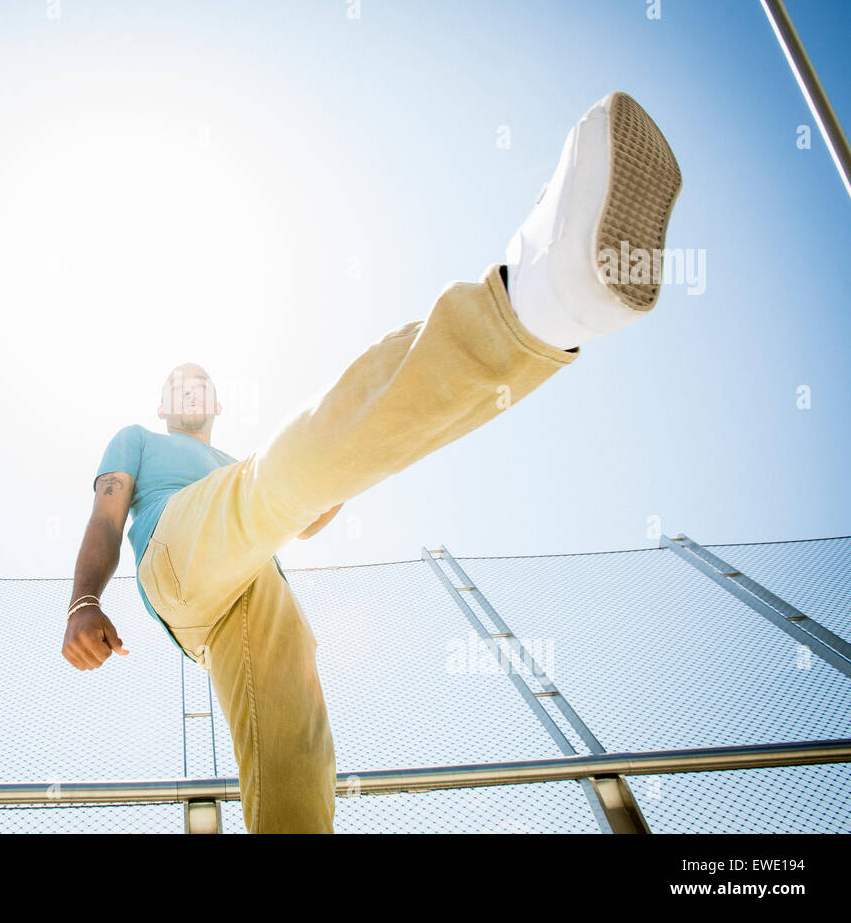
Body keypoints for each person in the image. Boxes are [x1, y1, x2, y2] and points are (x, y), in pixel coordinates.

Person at [62, 91, 683, 833]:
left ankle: (546, 310)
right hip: (179, 561)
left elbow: (297, 516)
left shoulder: (228, 455)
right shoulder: (138, 438)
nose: (190, 389)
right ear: (166, 400)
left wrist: (332, 477)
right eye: (179, 383)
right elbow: (105, 516)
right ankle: (537, 301)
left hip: (254, 591)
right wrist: (83, 602)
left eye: (201, 382)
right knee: (271, 477)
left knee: (299, 756)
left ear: (215, 400)